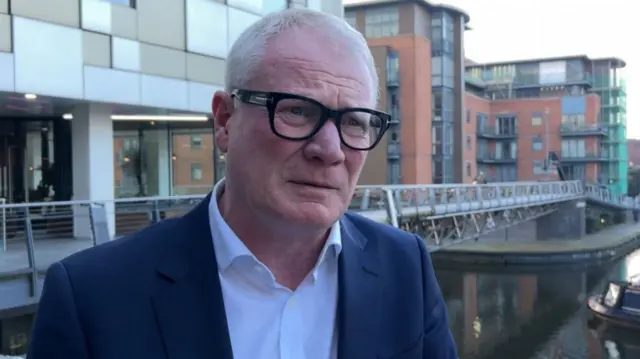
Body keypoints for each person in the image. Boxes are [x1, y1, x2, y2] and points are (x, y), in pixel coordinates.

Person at [27, 8, 457, 359]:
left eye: (355, 122)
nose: (330, 149)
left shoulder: (405, 266)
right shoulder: (92, 296)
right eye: (296, 111)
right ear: (225, 121)